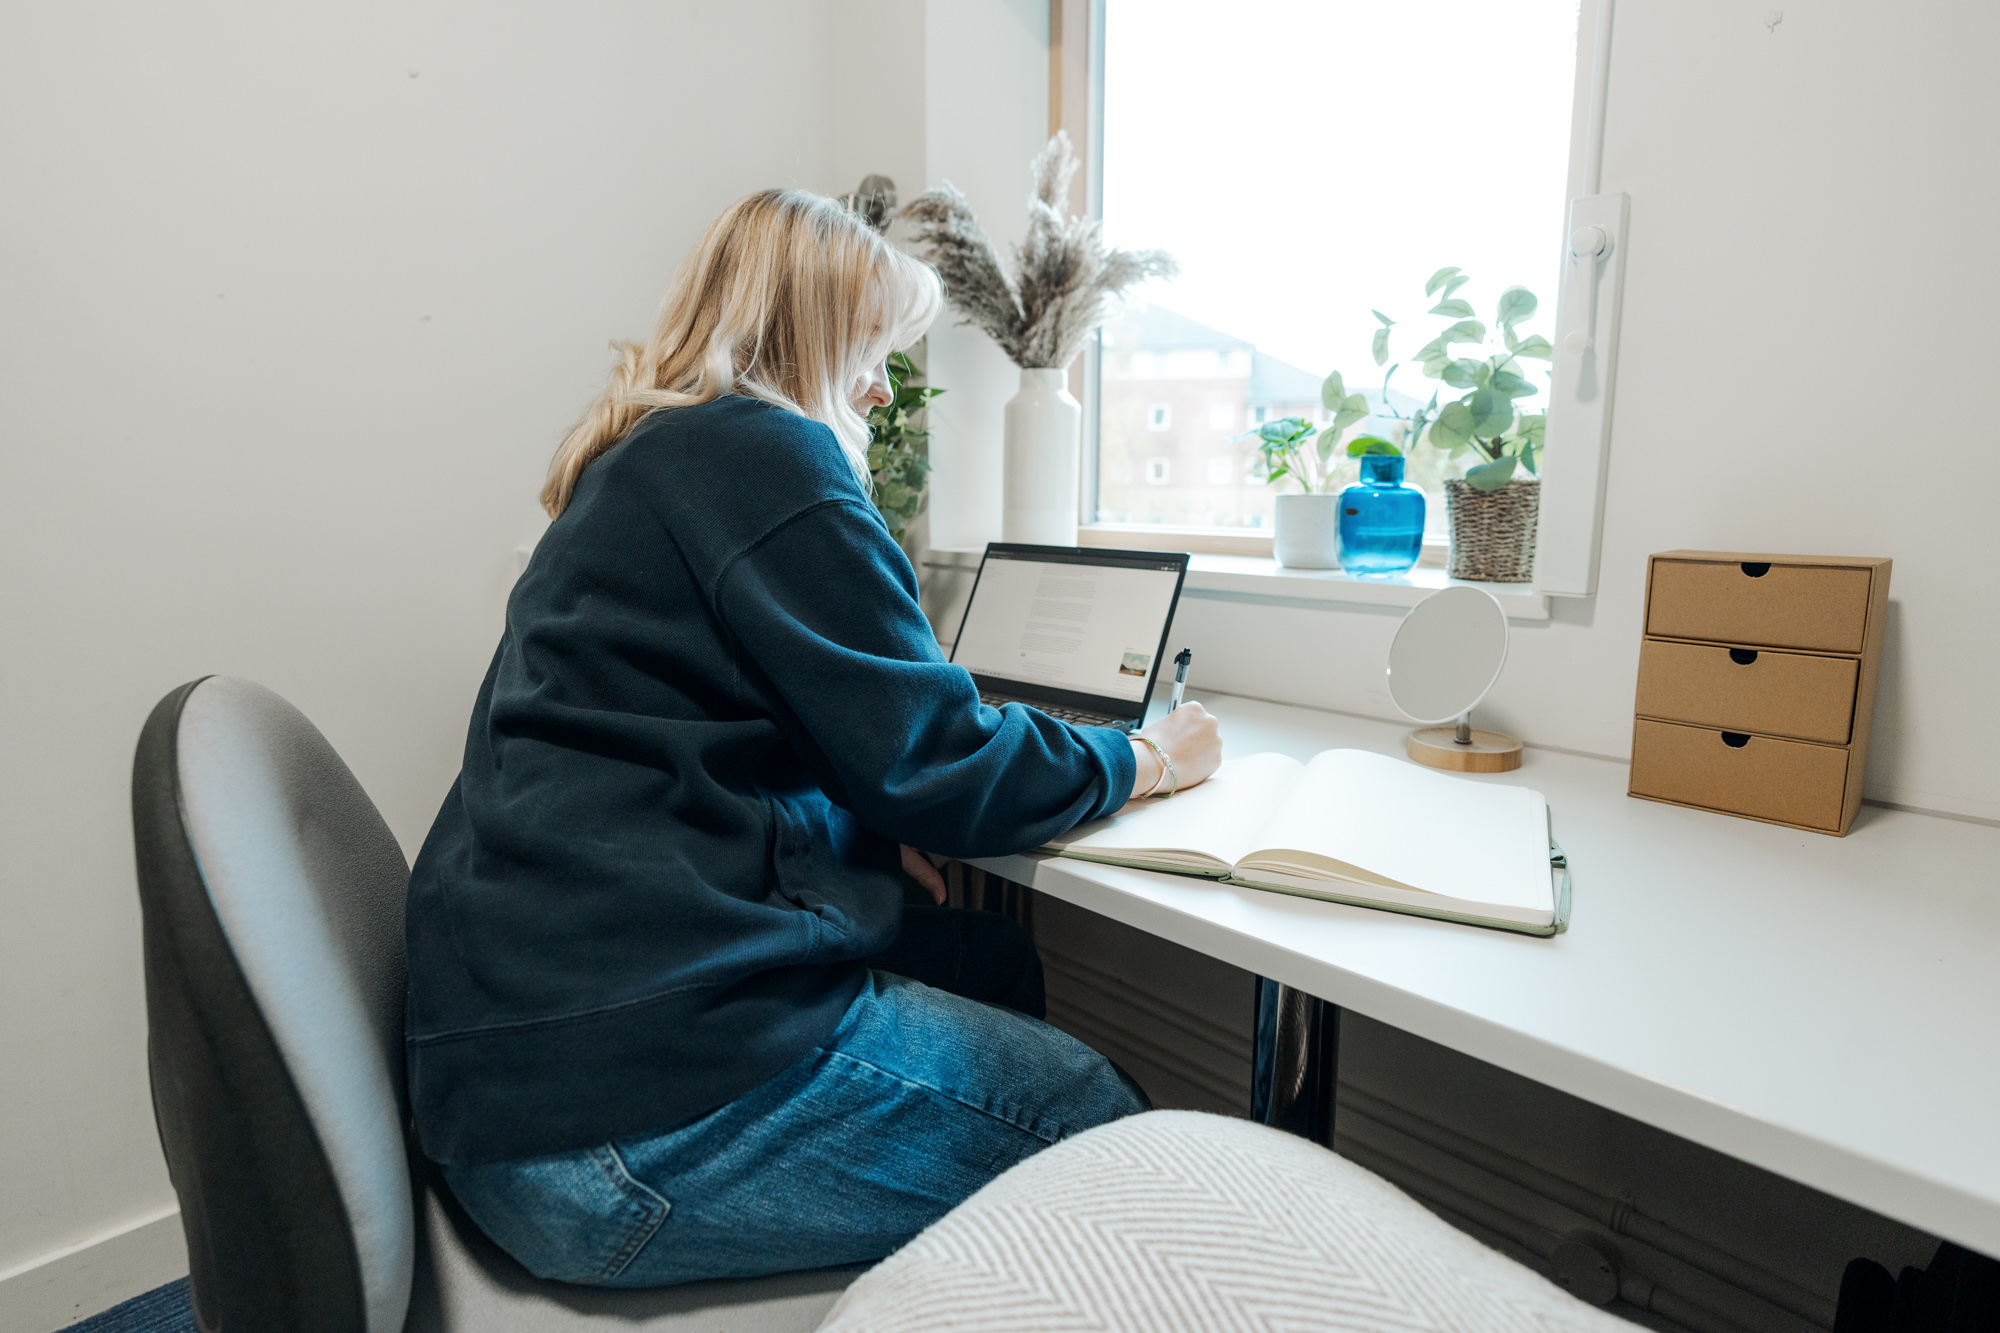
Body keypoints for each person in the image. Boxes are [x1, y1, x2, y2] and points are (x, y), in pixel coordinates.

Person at [404, 188, 1223, 1289]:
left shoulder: (643, 460)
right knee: (1105, 1123)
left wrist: (858, 826)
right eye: (877, 350)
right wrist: (1144, 757)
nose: (885, 387)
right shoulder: (766, 455)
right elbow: (936, 761)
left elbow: (696, 738)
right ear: (812, 335)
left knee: (988, 957)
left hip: (520, 1076)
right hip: (613, 1142)